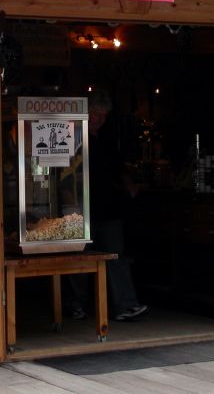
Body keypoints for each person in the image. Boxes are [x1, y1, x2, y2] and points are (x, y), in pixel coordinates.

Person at [68, 90, 148, 321]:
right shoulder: (74, 137)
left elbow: (118, 169)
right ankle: (76, 304)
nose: (99, 119)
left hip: (108, 206)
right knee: (79, 258)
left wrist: (129, 183)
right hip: (81, 206)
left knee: (116, 257)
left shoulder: (106, 140)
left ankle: (125, 305)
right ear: (85, 112)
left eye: (103, 115)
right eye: (95, 114)